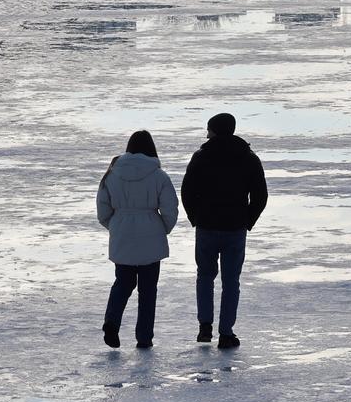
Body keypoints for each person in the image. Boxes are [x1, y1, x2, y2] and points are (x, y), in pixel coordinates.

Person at [180, 113, 268, 350]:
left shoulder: (201, 157)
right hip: (235, 229)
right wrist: (247, 220)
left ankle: (205, 327)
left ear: (215, 131)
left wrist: (195, 217)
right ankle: (226, 333)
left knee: (205, 276)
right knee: (231, 281)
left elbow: (187, 191)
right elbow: (260, 196)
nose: (206, 134)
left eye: (208, 130)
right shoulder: (248, 158)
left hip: (207, 227)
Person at [97, 130, 179, 350]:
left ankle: (111, 322)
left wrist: (115, 226)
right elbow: (170, 209)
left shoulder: (111, 174)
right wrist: (161, 229)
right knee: (148, 290)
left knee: (122, 283)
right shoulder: (159, 175)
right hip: (151, 238)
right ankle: (144, 337)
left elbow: (102, 211)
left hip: (122, 236)